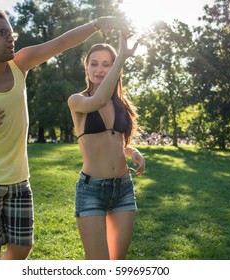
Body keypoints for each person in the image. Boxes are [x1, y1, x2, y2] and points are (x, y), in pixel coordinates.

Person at [0, 8, 129, 260]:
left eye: (11, 33)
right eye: (2, 33)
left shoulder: (20, 64)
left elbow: (62, 43)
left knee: (22, 248)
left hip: (18, 178)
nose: (11, 38)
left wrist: (97, 24)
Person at [67, 32, 145, 260]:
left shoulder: (121, 105)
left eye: (106, 64)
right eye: (94, 64)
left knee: (117, 263)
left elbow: (116, 143)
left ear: (114, 69)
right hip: (92, 190)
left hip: (123, 188)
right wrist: (121, 57)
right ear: (86, 68)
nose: (99, 70)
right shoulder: (77, 100)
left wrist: (134, 152)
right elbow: (98, 101)